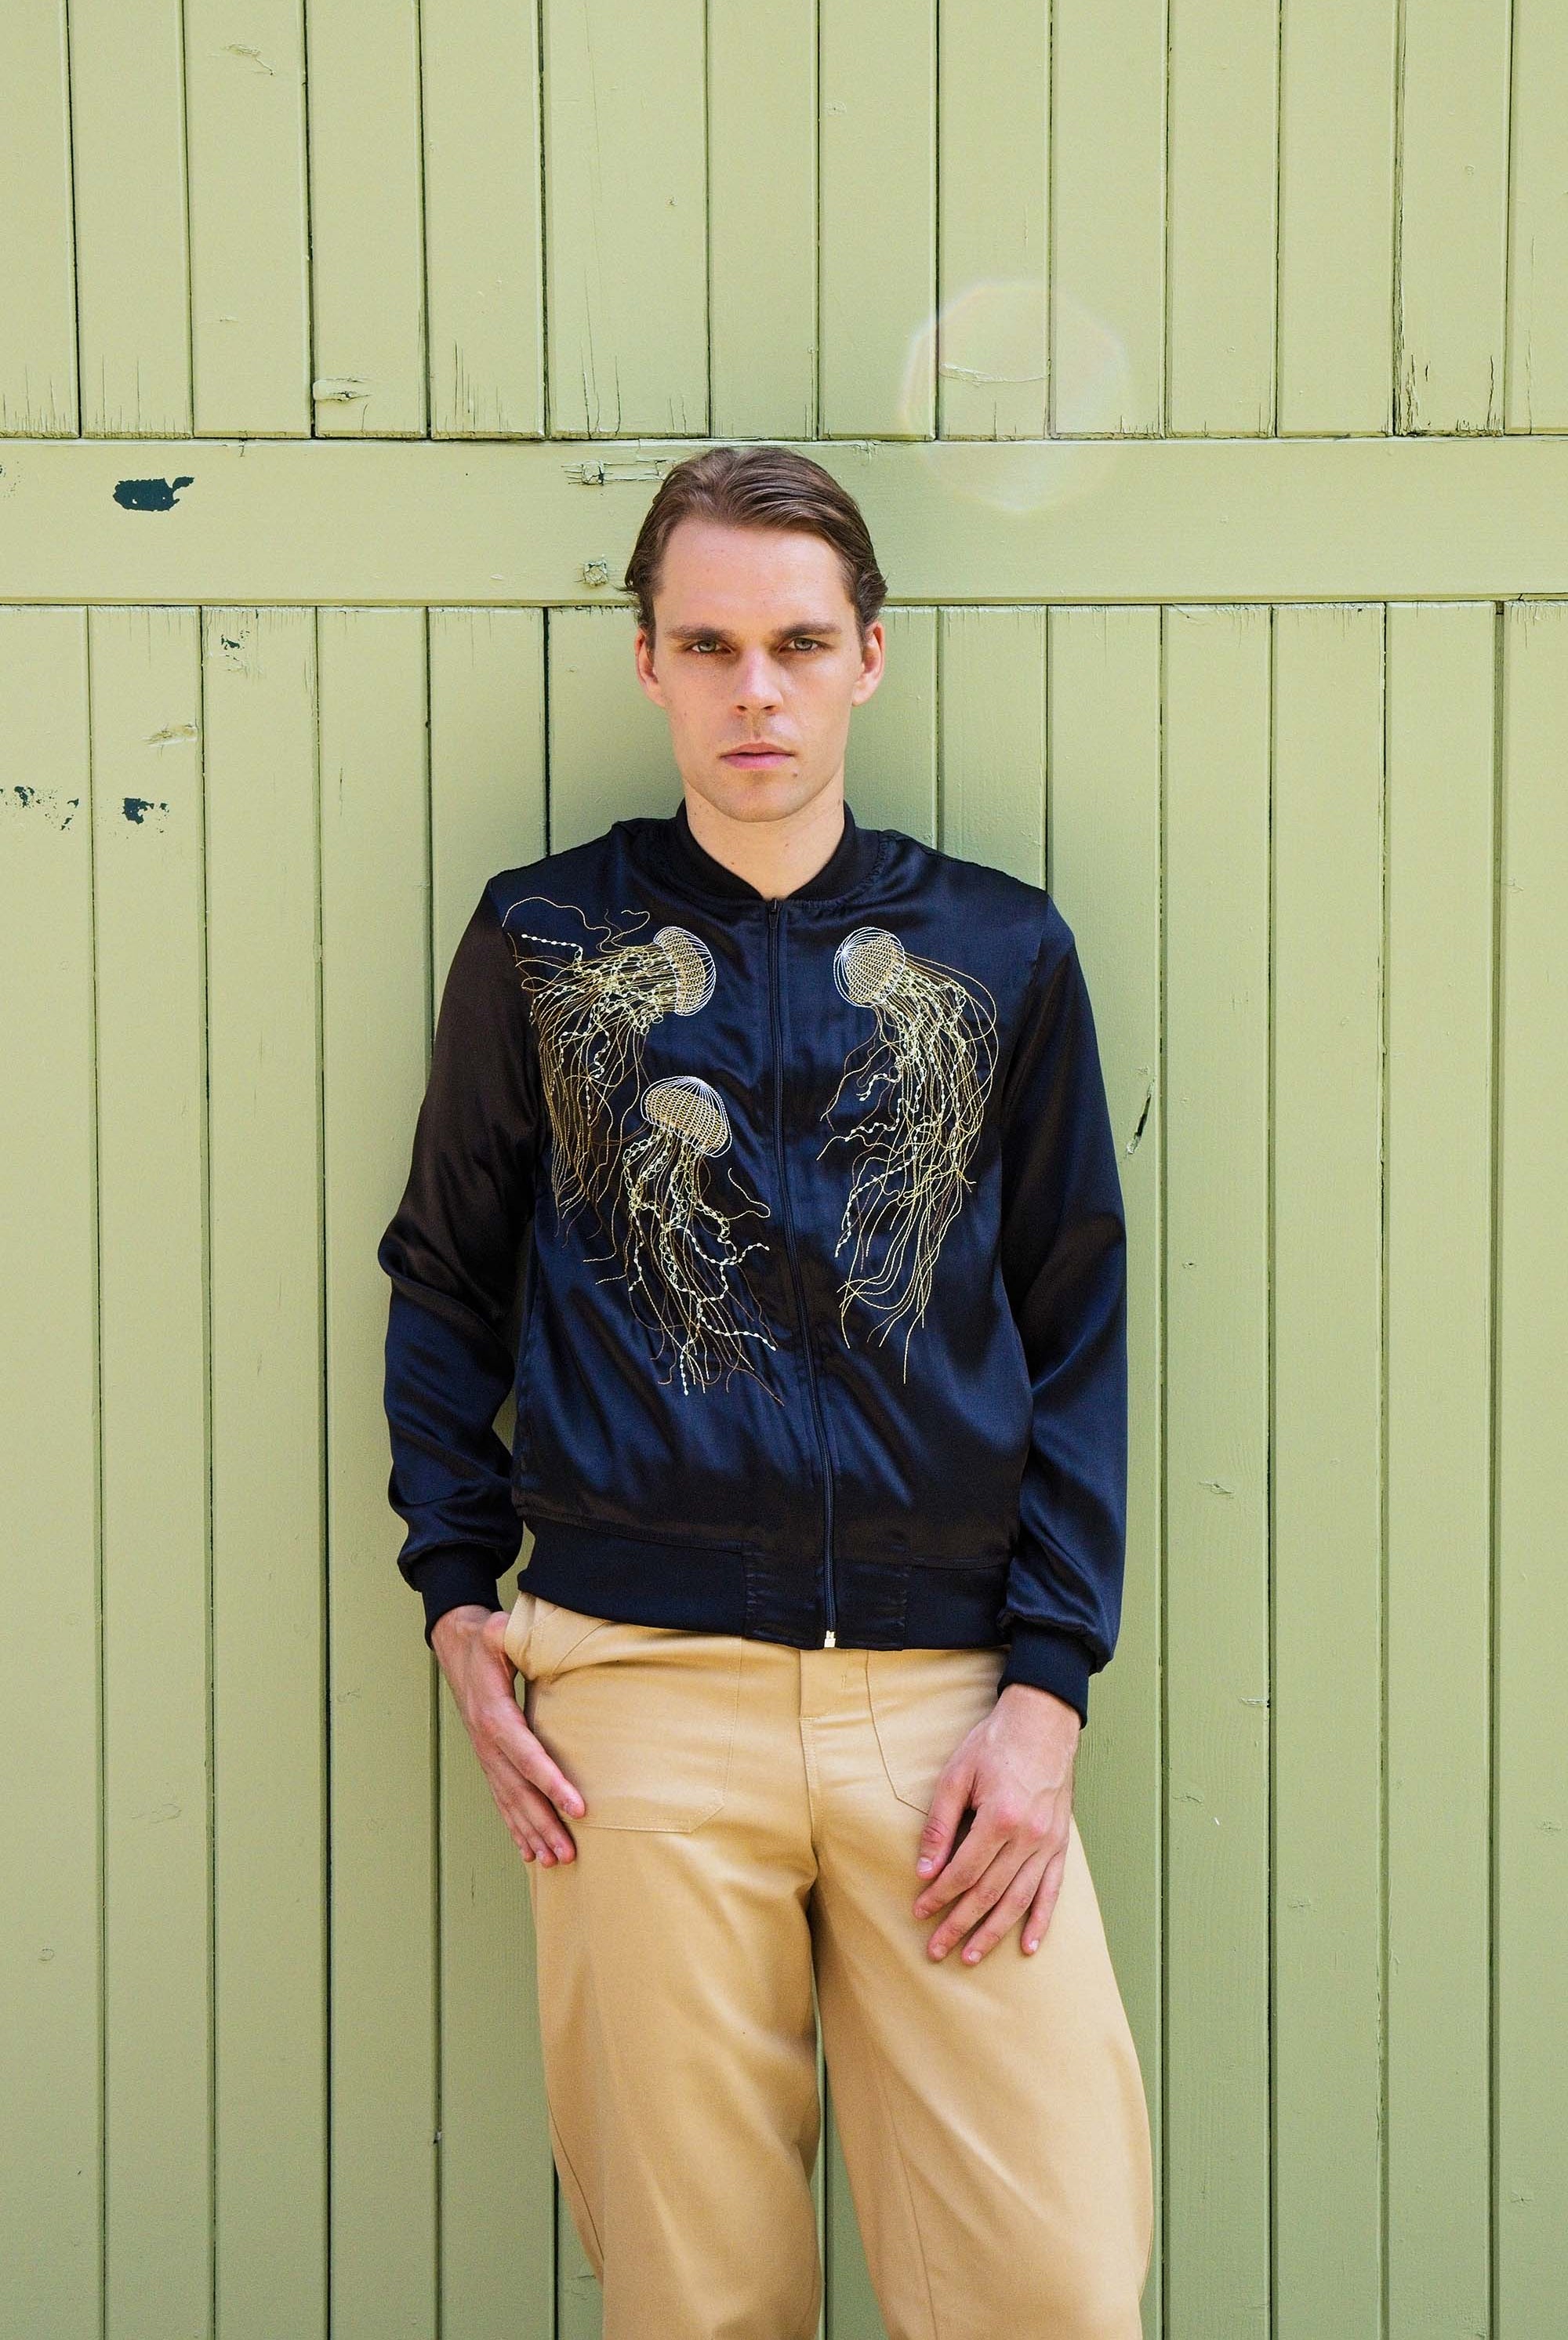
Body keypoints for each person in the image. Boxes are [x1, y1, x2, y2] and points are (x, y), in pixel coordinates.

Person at [377, 443, 1153, 2338]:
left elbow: (1074, 1313)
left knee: (1049, 2282)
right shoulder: (543, 939)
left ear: (867, 656)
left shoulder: (1002, 948)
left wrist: (1048, 1682)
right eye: (710, 644)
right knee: (699, 2301)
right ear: (648, 660)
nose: (756, 690)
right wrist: (459, 1596)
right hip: (637, 1702)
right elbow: (446, 1277)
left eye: (798, 643)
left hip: (947, 1715)